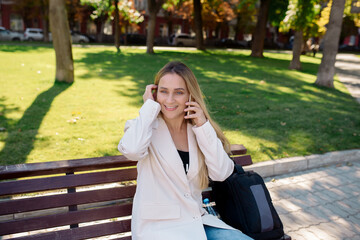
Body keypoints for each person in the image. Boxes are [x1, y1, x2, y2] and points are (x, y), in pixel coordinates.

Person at [118, 61, 253, 240]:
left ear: (190, 95)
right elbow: (132, 150)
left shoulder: (197, 131)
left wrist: (203, 126)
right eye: (164, 91)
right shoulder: (144, 127)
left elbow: (221, 173)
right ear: (154, 93)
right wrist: (149, 108)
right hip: (158, 229)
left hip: (197, 223)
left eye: (179, 92)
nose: (170, 100)